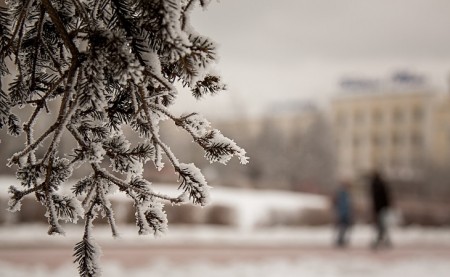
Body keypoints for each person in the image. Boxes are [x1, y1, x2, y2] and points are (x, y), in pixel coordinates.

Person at [369, 170, 392, 249]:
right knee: (382, 225)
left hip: (378, 208)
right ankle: (381, 240)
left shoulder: (374, 185)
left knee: (381, 225)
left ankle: (380, 240)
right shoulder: (380, 184)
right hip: (381, 208)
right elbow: (385, 197)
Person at [333, 180, 353, 247]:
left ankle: (341, 239)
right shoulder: (341, 193)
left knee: (344, 227)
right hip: (342, 213)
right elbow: (336, 203)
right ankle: (340, 239)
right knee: (341, 227)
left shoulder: (347, 193)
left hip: (345, 212)